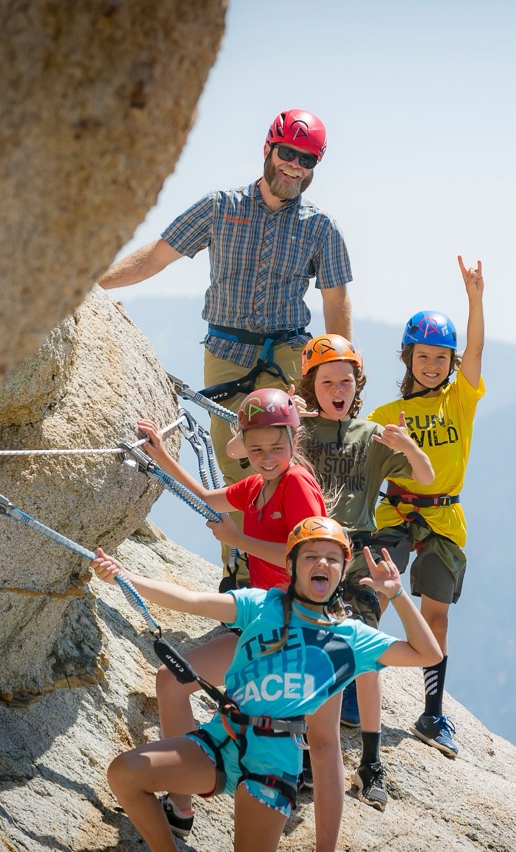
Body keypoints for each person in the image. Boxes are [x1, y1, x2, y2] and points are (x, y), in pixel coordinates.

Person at [99, 108, 353, 587]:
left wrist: (334, 373)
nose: (295, 166)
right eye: (287, 154)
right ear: (268, 149)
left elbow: (337, 304)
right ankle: (239, 576)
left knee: (284, 463)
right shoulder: (219, 207)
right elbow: (157, 255)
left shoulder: (321, 228)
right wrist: (91, 285)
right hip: (226, 352)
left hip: (287, 356)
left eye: (306, 159)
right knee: (234, 468)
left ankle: (298, 582)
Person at [90, 517, 442, 852]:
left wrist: (397, 595)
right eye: (311, 555)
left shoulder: (350, 638)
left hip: (273, 763)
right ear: (291, 567)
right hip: (220, 740)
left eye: (332, 558)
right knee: (125, 774)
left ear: (343, 570)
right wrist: (125, 577)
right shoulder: (263, 605)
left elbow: (428, 654)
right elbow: (190, 600)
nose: (322, 562)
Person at [135, 387, 338, 840]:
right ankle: (181, 804)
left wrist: (239, 540)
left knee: (177, 684)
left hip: (291, 626)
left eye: (277, 448)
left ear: (293, 441)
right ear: (244, 447)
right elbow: (210, 496)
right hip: (261, 616)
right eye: (257, 448)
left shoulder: (296, 485)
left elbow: (310, 554)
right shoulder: (260, 485)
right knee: (171, 682)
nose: (267, 457)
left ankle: (192, 800)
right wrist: (164, 455)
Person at [292, 333, 434, 809]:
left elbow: (426, 476)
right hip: (312, 553)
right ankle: (309, 757)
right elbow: (238, 449)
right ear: (312, 386)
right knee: (313, 652)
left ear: (358, 385)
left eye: (346, 381)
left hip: (360, 557)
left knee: (367, 656)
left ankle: (371, 762)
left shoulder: (371, 436)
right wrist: (285, 415)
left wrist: (408, 447)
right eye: (327, 381)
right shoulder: (300, 431)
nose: (338, 389)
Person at [366, 256, 485, 759]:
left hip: (442, 518)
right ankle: (354, 693)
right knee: (367, 599)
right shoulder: (385, 415)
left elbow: (476, 350)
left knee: (435, 619)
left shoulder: (459, 399)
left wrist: (475, 300)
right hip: (395, 513)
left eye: (441, 358)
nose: (432, 366)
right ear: (408, 358)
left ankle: (432, 714)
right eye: (424, 357)